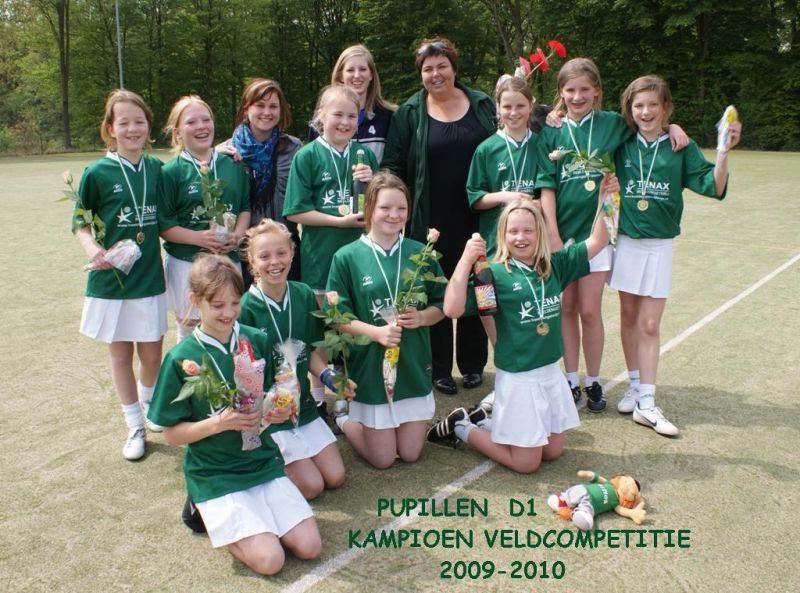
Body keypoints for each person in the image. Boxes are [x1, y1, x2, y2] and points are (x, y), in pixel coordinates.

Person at [147, 254, 321, 575]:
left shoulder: (255, 339)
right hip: (216, 472)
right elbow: (170, 435)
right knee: (271, 561)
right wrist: (220, 422)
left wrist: (275, 410)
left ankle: (254, 523)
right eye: (217, 305)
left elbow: (265, 400)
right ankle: (204, 509)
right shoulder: (181, 358)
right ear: (195, 300)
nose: (228, 313)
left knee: (310, 547)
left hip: (261, 461)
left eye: (235, 303)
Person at [536, 57, 688, 411]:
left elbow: (647, 122)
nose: (577, 96)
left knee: (590, 311)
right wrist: (553, 236)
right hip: (561, 235)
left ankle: (593, 382)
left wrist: (673, 127)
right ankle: (569, 380)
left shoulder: (612, 124)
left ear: (597, 91)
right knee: (565, 307)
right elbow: (546, 187)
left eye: (584, 89)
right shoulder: (551, 131)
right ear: (560, 92)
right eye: (570, 90)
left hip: (599, 233)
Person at [428, 188, 614, 474]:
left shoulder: (554, 265)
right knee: (527, 464)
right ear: (503, 235)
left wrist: (607, 198)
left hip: (550, 373)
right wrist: (466, 260)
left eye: (528, 230)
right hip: (519, 378)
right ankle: (463, 426)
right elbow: (452, 309)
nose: (521, 237)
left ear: (539, 233)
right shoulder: (493, 274)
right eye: (513, 231)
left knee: (553, 451)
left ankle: (487, 421)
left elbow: (599, 240)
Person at [610, 75, 741, 436]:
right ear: (629, 109)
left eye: (653, 105)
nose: (646, 111)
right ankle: (634, 386)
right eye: (639, 105)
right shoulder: (621, 140)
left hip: (659, 244)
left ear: (666, 107)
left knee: (650, 324)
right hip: (626, 241)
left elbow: (714, 186)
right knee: (628, 318)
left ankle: (647, 402)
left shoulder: (681, 146)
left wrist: (724, 151)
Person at [383, 37, 495, 395]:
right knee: (435, 288)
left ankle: (474, 364)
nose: (436, 74)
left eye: (442, 66)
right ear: (421, 74)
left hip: (479, 216)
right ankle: (440, 368)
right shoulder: (409, 113)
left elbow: (513, 133)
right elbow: (393, 166)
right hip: (429, 219)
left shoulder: (482, 104)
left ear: (454, 68)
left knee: (480, 285)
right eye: (428, 68)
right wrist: (394, 210)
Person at [326, 171, 446, 469]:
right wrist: (376, 332)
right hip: (371, 363)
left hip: (412, 361)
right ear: (369, 209)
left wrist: (422, 316)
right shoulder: (347, 256)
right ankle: (345, 420)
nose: (394, 215)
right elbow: (335, 317)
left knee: (410, 454)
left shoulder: (422, 253)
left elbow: (442, 304)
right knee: (383, 460)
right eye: (385, 207)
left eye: (401, 208)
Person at [72, 89, 167, 461]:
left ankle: (148, 406)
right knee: (121, 355)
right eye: (123, 122)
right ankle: (135, 425)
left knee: (153, 355)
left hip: (149, 276)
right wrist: (91, 248)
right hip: (112, 279)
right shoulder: (97, 173)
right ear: (110, 129)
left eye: (139, 121)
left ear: (148, 126)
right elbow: (80, 222)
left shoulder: (156, 168)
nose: (132, 129)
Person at [239, 219, 348, 498]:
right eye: (264, 256)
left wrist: (330, 378)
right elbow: (244, 380)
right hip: (271, 414)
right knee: (312, 486)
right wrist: (266, 407)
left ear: (292, 253)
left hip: (304, 407)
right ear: (252, 261)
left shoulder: (303, 293)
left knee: (335, 477)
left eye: (281, 253)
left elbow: (309, 352)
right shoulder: (244, 309)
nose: (274, 262)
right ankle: (263, 459)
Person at [159, 95, 251, 342]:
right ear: (177, 133)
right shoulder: (170, 172)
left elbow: (244, 208)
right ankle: (189, 368)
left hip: (228, 260)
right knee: (190, 328)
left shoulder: (233, 164)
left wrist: (238, 235)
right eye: (191, 122)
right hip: (186, 263)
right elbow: (165, 225)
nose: (201, 126)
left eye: (206, 119)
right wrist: (198, 238)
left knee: (227, 323)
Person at [283, 85, 378, 304]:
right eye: (338, 114)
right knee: (325, 319)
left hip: (361, 254)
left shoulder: (365, 154)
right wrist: (339, 222)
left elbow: (382, 206)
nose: (345, 122)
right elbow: (295, 212)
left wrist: (373, 183)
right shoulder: (306, 155)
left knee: (360, 317)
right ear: (321, 116)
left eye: (352, 116)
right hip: (321, 257)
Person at [221, 79, 303, 283]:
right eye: (260, 105)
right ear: (246, 108)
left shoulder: (294, 149)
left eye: (273, 106)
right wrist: (212, 157)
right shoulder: (226, 153)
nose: (267, 112)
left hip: (285, 252)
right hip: (243, 253)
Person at [309, 44, 396, 163]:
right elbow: (312, 162)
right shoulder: (323, 118)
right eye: (350, 70)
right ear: (341, 76)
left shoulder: (389, 116)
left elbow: (395, 165)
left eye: (363, 69)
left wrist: (375, 174)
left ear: (371, 74)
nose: (357, 75)